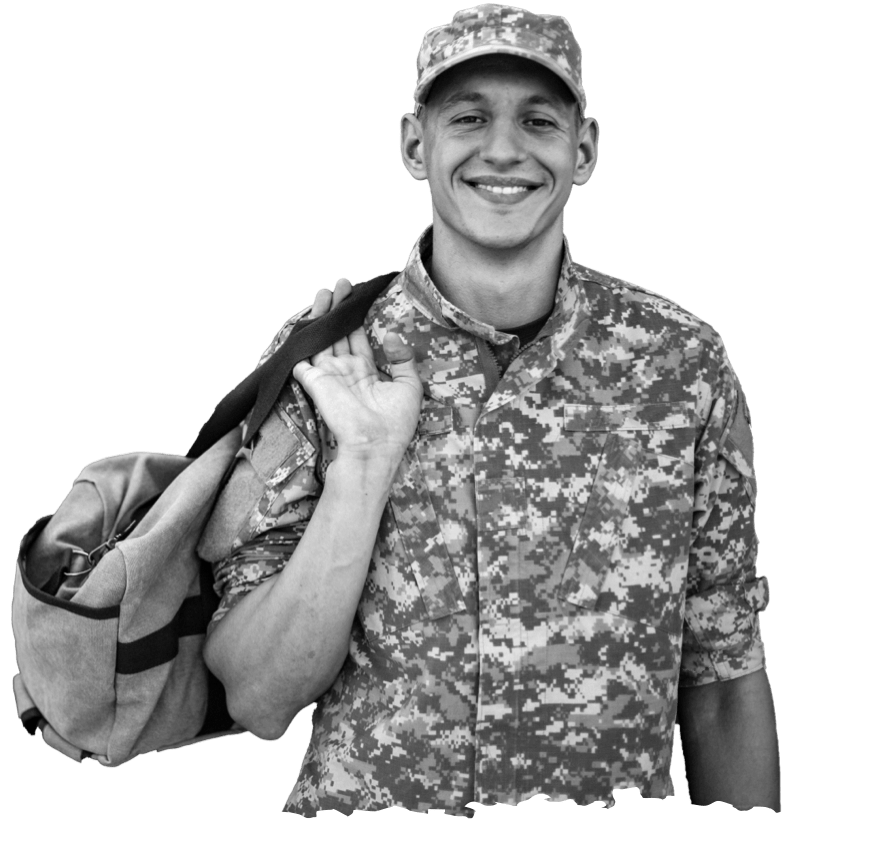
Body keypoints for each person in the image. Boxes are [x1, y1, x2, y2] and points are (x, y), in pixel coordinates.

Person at [200, 4, 780, 817]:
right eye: (468, 117)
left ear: (582, 151)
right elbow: (257, 698)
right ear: (414, 144)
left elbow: (722, 677)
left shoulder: (681, 363)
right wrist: (361, 468)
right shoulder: (326, 358)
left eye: (538, 120)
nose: (503, 149)